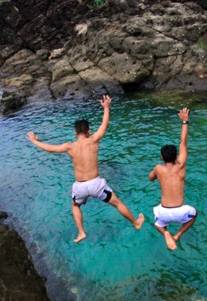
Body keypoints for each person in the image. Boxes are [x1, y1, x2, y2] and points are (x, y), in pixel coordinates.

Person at [26, 95, 144, 243]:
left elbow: (50, 149)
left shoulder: (70, 146)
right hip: (96, 185)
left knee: (75, 206)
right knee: (118, 203)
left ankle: (81, 232)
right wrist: (106, 108)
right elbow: (104, 125)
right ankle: (136, 222)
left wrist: (35, 141)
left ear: (75, 133)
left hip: (80, 187)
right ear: (88, 131)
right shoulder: (93, 140)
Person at [148, 108, 197, 250]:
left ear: (162, 158)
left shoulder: (158, 169)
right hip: (180, 210)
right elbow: (183, 142)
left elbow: (150, 178)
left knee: (158, 224)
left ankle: (166, 233)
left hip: (164, 211)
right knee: (194, 214)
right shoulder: (180, 166)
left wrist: (155, 176)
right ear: (176, 157)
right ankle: (178, 235)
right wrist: (184, 121)